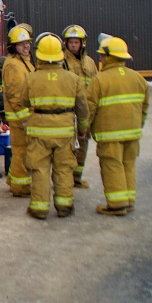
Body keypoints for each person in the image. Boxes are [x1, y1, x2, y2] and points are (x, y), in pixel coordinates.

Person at [20, 34, 89, 219]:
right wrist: (82, 130)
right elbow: (82, 109)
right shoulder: (73, 79)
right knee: (64, 169)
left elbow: (23, 101)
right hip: (64, 133)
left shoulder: (31, 78)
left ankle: (39, 209)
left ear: (40, 55)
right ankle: (64, 207)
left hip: (39, 132)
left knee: (40, 169)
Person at [87, 36, 149, 216]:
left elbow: (89, 108)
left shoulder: (99, 80)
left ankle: (117, 205)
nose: (100, 58)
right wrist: (138, 125)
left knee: (112, 166)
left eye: (102, 55)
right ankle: (129, 201)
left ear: (109, 57)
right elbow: (144, 107)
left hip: (109, 134)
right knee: (128, 165)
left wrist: (84, 129)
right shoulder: (138, 79)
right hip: (133, 133)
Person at [61, 25, 99, 188]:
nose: (73, 45)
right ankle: (66, 179)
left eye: (76, 42)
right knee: (68, 148)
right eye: (71, 42)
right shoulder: (62, 61)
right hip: (69, 111)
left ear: (82, 43)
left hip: (86, 111)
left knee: (83, 146)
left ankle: (77, 177)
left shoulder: (89, 63)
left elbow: (96, 84)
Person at [2, 23, 35, 197]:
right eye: (21, 44)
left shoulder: (24, 62)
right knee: (21, 152)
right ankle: (20, 187)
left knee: (21, 151)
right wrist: (25, 119)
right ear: (13, 46)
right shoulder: (14, 65)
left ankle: (13, 180)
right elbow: (15, 96)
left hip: (23, 116)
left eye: (27, 43)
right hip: (19, 118)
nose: (26, 46)